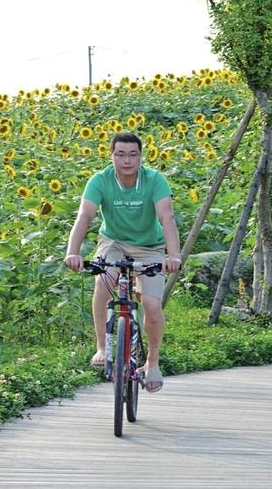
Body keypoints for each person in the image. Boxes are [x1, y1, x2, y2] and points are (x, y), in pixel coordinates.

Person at [64, 132, 181, 393]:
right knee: (103, 283)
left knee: (151, 303)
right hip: (113, 241)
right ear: (111, 156)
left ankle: (152, 362)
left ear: (141, 156)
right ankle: (102, 348)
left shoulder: (154, 180)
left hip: (150, 246)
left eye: (132, 154)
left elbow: (167, 216)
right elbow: (85, 215)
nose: (126, 160)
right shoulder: (100, 180)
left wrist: (173, 256)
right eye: (120, 154)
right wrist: (73, 252)